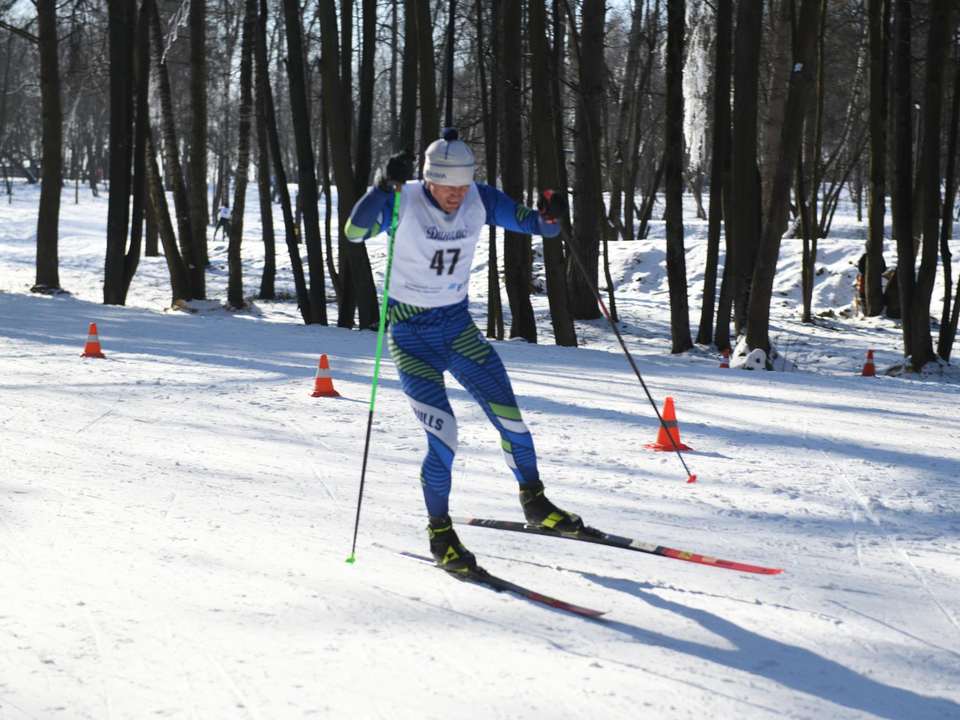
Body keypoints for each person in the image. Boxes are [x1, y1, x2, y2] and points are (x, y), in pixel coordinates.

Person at [345, 128, 584, 574]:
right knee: (444, 439)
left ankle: (535, 501)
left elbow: (538, 226)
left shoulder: (480, 197)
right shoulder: (405, 199)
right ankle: (441, 533)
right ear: (427, 179)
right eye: (446, 186)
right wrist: (381, 187)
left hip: (457, 330)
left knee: (512, 419)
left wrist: (552, 212)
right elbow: (354, 231)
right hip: (411, 336)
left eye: (462, 184)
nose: (456, 194)